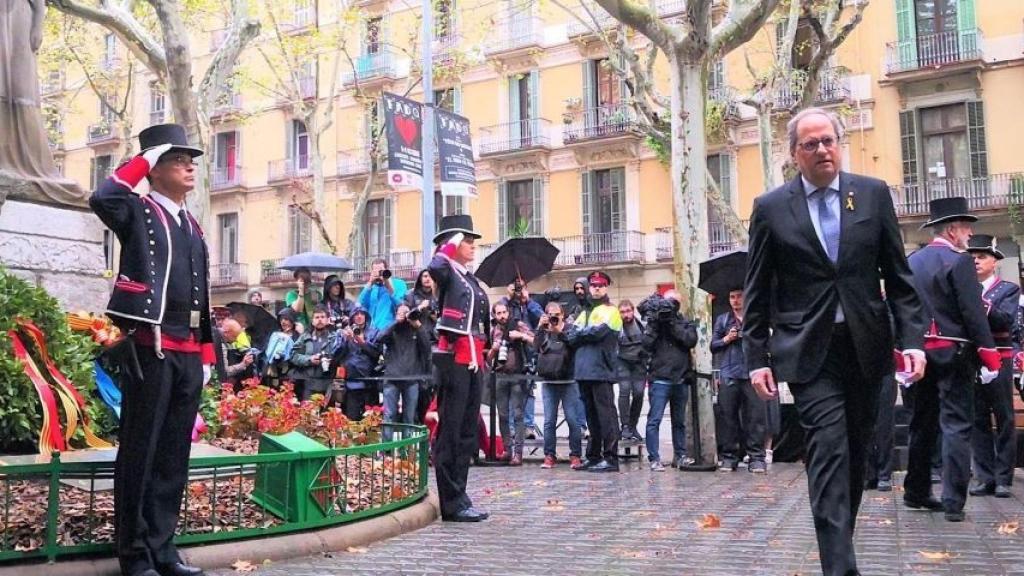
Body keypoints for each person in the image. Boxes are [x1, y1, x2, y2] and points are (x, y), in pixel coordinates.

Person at [742, 108, 926, 576]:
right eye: (811, 144)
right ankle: (840, 568)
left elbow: (900, 279)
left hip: (866, 346)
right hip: (808, 351)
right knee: (828, 450)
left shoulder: (871, 194)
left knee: (856, 455)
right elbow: (757, 290)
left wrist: (914, 342)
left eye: (829, 140)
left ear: (839, 144)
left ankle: (838, 539)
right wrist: (755, 357)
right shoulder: (770, 208)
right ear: (794, 154)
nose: (822, 150)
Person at [90, 123, 214, 576]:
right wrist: (145, 156)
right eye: (177, 158)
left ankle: (163, 548)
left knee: (172, 457)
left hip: (185, 353)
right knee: (140, 455)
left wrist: (204, 356)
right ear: (155, 168)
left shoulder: (193, 224)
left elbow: (201, 297)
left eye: (190, 159)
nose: (189, 165)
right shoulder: (137, 211)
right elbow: (103, 197)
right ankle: (135, 554)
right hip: (150, 350)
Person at [905, 199, 1003, 523]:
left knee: (921, 422)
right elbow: (972, 313)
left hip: (918, 353)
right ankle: (952, 500)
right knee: (956, 425)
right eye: (966, 227)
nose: (969, 233)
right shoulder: (958, 262)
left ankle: (916, 491)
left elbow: (903, 308)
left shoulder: (913, 260)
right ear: (951, 229)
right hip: (954, 351)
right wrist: (989, 353)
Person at [429, 214, 491, 522]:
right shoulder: (446, 271)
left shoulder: (468, 277)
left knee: (467, 431)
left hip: (474, 358)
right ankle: (450, 503)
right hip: (454, 358)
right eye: (467, 241)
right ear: (451, 245)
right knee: (451, 432)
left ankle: (461, 497)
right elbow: (434, 267)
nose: (472, 246)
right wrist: (449, 244)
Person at [967, 236, 1020, 498]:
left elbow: (1005, 320)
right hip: (972, 359)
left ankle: (1003, 478)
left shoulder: (1007, 290)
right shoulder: (963, 289)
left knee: (1004, 417)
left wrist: (978, 302)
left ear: (995, 262)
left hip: (1000, 357)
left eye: (982, 257)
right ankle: (984, 476)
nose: (975, 261)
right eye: (972, 257)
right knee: (977, 419)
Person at [566, 270, 622, 473]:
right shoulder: (584, 312)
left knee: (606, 415)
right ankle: (593, 455)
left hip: (601, 369)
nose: (596, 288)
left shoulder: (611, 310)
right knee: (591, 416)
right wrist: (582, 333)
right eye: (593, 285)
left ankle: (610, 457)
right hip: (583, 370)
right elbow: (570, 336)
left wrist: (581, 333)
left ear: (606, 287)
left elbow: (599, 333)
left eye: (600, 285)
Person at [641, 290, 698, 471]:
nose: (670, 306)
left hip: (680, 378)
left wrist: (672, 323)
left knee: (679, 421)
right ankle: (654, 458)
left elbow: (690, 340)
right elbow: (646, 344)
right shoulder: (656, 322)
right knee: (654, 420)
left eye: (674, 302)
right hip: (660, 379)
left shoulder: (684, 321)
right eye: (668, 302)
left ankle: (680, 456)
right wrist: (655, 325)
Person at [710, 288, 766, 472]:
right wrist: (727, 338)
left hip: (751, 371)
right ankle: (729, 457)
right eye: (732, 297)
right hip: (729, 373)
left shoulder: (755, 317)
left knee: (755, 417)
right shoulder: (723, 320)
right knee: (728, 417)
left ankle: (757, 457)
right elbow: (713, 345)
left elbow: (766, 340)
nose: (735, 300)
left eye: (739, 296)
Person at [535, 301, 584, 469]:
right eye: (550, 314)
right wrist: (540, 328)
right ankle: (549, 455)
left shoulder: (570, 328)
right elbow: (535, 347)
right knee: (549, 421)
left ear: (562, 314)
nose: (553, 317)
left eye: (556, 314)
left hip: (568, 381)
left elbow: (574, 344)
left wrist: (559, 332)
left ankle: (575, 455)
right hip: (549, 381)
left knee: (573, 420)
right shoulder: (544, 329)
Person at [487, 301, 533, 466]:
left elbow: (535, 340)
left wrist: (520, 336)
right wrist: (494, 349)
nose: (502, 316)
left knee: (518, 415)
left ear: (508, 312)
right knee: (503, 415)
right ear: (494, 315)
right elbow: (488, 359)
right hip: (500, 375)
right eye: (498, 313)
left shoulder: (517, 324)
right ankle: (508, 449)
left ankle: (518, 453)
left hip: (517, 375)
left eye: (503, 312)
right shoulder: (494, 331)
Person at [377, 303, 432, 434]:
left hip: (411, 379)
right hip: (392, 378)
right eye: (401, 312)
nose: (405, 315)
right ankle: (386, 451)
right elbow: (380, 338)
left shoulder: (416, 329)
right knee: (389, 416)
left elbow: (427, 348)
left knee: (409, 417)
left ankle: (407, 451)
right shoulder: (393, 329)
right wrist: (396, 322)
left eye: (406, 312)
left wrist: (418, 326)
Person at [405, 268, 440, 423]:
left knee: (432, 384)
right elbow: (406, 314)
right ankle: (416, 421)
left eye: (430, 276)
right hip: (415, 342)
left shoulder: (439, 295)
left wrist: (434, 314)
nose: (427, 279)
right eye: (425, 276)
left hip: (434, 342)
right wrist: (419, 308)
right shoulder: (412, 295)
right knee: (417, 386)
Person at [337, 308, 381, 420]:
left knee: (371, 421)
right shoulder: (345, 332)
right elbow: (336, 356)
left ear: (366, 316)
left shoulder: (374, 332)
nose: (359, 316)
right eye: (356, 314)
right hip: (351, 383)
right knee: (352, 420)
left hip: (369, 382)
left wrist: (362, 342)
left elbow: (376, 353)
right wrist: (345, 340)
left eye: (362, 314)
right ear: (352, 318)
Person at [290, 306, 339, 401]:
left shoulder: (335, 338)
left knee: (328, 415)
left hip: (329, 385)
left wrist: (332, 360)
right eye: (317, 317)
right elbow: (293, 355)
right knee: (309, 414)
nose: (320, 320)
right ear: (312, 321)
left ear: (328, 319)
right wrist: (309, 359)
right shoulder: (305, 337)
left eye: (322, 317)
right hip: (309, 384)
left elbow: (342, 357)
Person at [616, 299, 647, 442]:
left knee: (639, 393)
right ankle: (626, 425)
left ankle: (633, 426)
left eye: (628, 311)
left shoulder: (642, 325)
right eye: (622, 312)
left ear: (633, 310)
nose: (626, 315)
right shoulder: (617, 327)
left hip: (639, 363)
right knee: (624, 391)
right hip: (622, 362)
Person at [358, 258, 408, 331]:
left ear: (386, 270)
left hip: (390, 330)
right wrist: (370, 283)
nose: (379, 274)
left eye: (381, 271)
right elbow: (360, 305)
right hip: (371, 332)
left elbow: (400, 305)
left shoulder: (399, 284)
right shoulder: (371, 287)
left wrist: (387, 284)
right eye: (375, 271)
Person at [217, 318, 255, 390]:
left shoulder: (217, 337)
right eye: (234, 336)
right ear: (227, 333)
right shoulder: (221, 346)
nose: (235, 340)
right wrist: (243, 364)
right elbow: (225, 371)